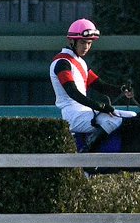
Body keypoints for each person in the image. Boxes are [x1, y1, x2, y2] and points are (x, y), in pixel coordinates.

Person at [50, 18, 135, 152]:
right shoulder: (62, 63)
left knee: (132, 116)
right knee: (114, 120)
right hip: (73, 115)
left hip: (85, 112)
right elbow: (73, 92)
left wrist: (121, 90)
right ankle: (87, 150)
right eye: (83, 42)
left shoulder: (81, 63)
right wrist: (100, 106)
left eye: (89, 43)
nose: (86, 47)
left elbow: (100, 86)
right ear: (71, 41)